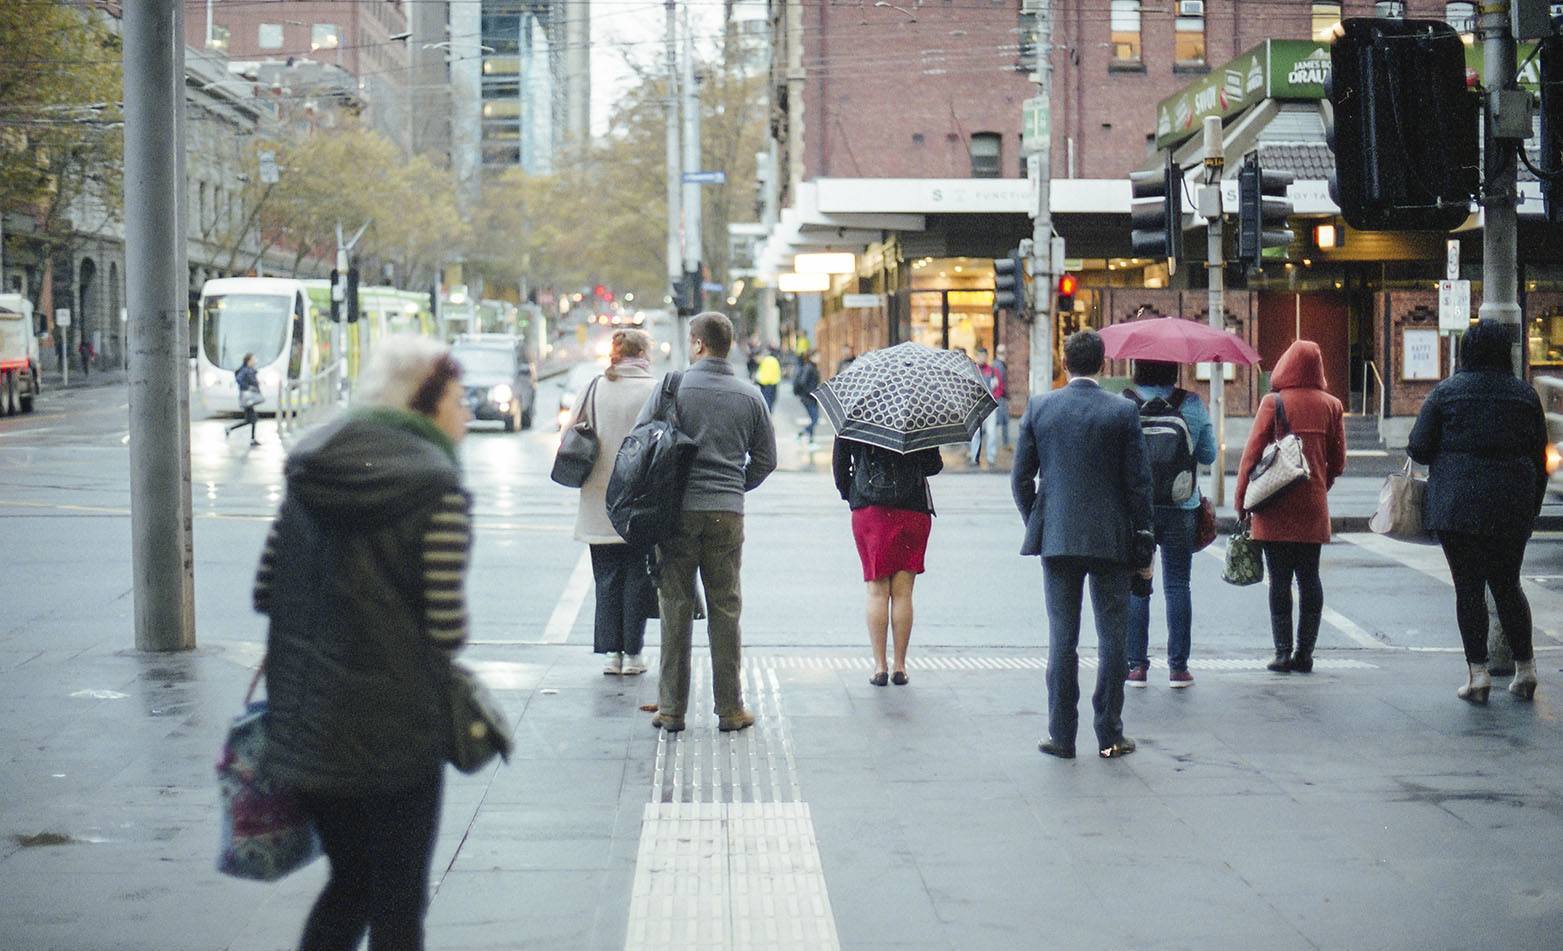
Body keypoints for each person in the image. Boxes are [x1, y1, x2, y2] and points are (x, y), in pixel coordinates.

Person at [253, 335, 472, 951]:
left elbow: (268, 589)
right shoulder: (437, 488)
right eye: (457, 400)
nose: (466, 415)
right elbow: (446, 628)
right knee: (399, 901)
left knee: (349, 885)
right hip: (396, 732)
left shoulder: (311, 464)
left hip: (308, 721)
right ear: (423, 404)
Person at [1012, 330, 1153, 760]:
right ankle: (1109, 733)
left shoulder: (1040, 408)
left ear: (1063, 361)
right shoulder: (1123, 412)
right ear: (1103, 364)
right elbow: (1139, 484)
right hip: (1112, 540)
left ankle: (1062, 735)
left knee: (1062, 637)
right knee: (1113, 638)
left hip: (1058, 538)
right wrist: (1143, 540)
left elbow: (1020, 479)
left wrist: (1040, 517)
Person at [640, 312, 777, 733]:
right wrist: (735, 485)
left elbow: (643, 441)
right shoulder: (749, 395)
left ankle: (672, 710)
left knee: (675, 608)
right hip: (726, 513)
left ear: (698, 344)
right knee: (725, 608)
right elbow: (767, 460)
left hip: (676, 513)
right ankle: (731, 709)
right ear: (729, 345)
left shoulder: (673, 388)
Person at [1408, 320, 1548, 703]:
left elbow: (1418, 447)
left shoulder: (1446, 393)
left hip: (1458, 505)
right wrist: (1531, 507)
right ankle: (1526, 669)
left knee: (1468, 589)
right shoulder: (1524, 395)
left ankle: (1478, 675)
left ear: (1465, 351)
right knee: (1507, 584)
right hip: (1512, 504)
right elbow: (1540, 457)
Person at [1234, 339, 1346, 674]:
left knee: (1279, 579)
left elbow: (1251, 456)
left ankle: (1282, 653)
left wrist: (1241, 501)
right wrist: (1320, 485)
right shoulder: (1332, 405)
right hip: (1312, 506)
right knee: (1309, 577)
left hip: (1273, 505)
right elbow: (1338, 461)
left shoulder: (1273, 402)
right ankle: (1305, 653)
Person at [569, 329, 659, 676]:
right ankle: (633, 654)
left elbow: (571, 432)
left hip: (598, 499)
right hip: (639, 498)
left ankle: (612, 655)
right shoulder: (653, 390)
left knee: (606, 577)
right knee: (637, 575)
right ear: (644, 353)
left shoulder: (594, 386)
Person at [1124, 359, 1218, 688]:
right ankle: (1178, 668)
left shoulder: (1126, 403)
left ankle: (1136, 666)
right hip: (1181, 505)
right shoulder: (1190, 404)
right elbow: (1208, 455)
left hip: (1139, 509)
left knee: (1138, 585)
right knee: (1178, 585)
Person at [833, 438, 943, 685]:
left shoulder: (856, 413)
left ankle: (880, 667)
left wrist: (853, 494)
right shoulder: (918, 415)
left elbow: (840, 468)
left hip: (870, 509)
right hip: (912, 508)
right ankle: (900, 667)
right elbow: (933, 465)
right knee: (903, 593)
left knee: (877, 591)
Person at [967, 347, 1001, 468]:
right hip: (976, 406)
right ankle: (974, 457)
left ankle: (991, 457)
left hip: (990, 406)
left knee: (991, 433)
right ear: (976, 356)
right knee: (975, 433)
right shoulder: (972, 371)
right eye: (979, 356)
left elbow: (999, 388)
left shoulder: (992, 371)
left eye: (983, 356)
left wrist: (993, 398)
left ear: (986, 357)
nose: (981, 358)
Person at [226, 353, 261, 446]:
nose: (255, 361)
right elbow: (239, 379)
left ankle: (230, 429)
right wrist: (248, 387)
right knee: (252, 419)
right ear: (248, 361)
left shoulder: (250, 370)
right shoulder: (245, 370)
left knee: (250, 420)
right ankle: (252, 439)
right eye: (253, 360)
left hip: (249, 397)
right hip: (247, 398)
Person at [792, 351, 823, 446]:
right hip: (808, 398)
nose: (819, 358)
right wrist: (811, 392)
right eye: (818, 356)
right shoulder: (809, 367)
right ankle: (801, 434)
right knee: (815, 419)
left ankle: (811, 441)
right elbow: (803, 382)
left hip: (811, 397)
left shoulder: (812, 367)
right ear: (812, 357)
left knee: (814, 418)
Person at [993, 344, 1011, 447]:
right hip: (999, 396)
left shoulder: (999, 364)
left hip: (1000, 396)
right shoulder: (998, 365)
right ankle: (1006, 443)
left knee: (1004, 421)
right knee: (1000, 420)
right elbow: (999, 383)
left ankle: (1006, 442)